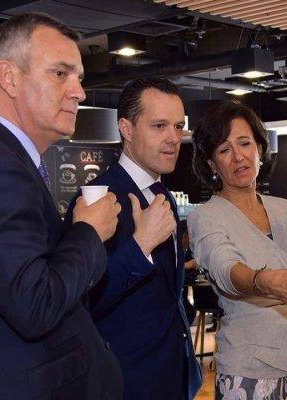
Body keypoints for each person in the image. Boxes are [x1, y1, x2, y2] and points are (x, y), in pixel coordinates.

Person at [0, 13, 123, 400]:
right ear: (10, 77)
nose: (79, 91)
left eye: (79, 76)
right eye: (60, 74)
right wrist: (89, 232)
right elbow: (34, 305)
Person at [187, 100, 287, 400]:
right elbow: (225, 270)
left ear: (260, 149)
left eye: (245, 143)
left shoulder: (285, 209)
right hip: (250, 370)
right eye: (224, 150)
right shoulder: (206, 216)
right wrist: (266, 281)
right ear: (212, 164)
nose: (238, 156)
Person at [66, 77, 202, 399]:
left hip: (173, 377)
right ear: (126, 129)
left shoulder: (162, 194)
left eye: (178, 126)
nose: (173, 138)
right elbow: (83, 299)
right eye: (159, 126)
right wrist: (141, 246)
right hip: (125, 382)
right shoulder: (97, 200)